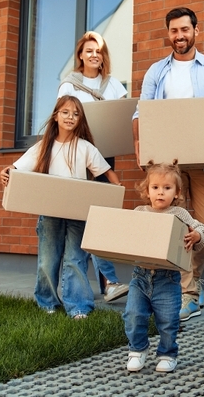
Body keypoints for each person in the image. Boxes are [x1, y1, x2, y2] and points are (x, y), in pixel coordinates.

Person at [131, 7, 204, 321]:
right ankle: (186, 293)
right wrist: (139, 144)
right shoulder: (158, 71)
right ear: (168, 33)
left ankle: (193, 277)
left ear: (197, 30)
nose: (179, 36)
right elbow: (141, 112)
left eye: (185, 29)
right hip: (167, 163)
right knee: (174, 223)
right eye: (173, 30)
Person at [0, 95, 120, 319]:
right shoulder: (42, 147)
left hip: (78, 214)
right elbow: (16, 168)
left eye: (75, 114)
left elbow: (107, 173)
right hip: (50, 213)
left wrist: (117, 191)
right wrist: (6, 172)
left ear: (80, 119)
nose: (70, 117)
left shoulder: (85, 148)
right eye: (65, 112)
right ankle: (47, 303)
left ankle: (79, 307)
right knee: (48, 260)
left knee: (76, 260)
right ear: (55, 116)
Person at [59, 31, 130, 303]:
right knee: (87, 219)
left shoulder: (113, 86)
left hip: (105, 157)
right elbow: (62, 121)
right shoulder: (70, 85)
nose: (94, 55)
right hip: (77, 158)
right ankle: (108, 281)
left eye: (98, 50)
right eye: (89, 50)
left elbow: (121, 119)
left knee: (99, 218)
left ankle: (107, 282)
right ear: (80, 55)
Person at [124, 161, 204, 373]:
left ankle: (167, 353)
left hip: (168, 278)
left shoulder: (178, 214)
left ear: (177, 192)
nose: (160, 193)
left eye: (167, 188)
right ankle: (138, 350)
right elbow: (127, 232)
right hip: (140, 276)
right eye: (155, 188)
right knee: (134, 314)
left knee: (168, 320)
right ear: (147, 190)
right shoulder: (139, 211)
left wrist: (197, 234)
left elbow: (200, 228)